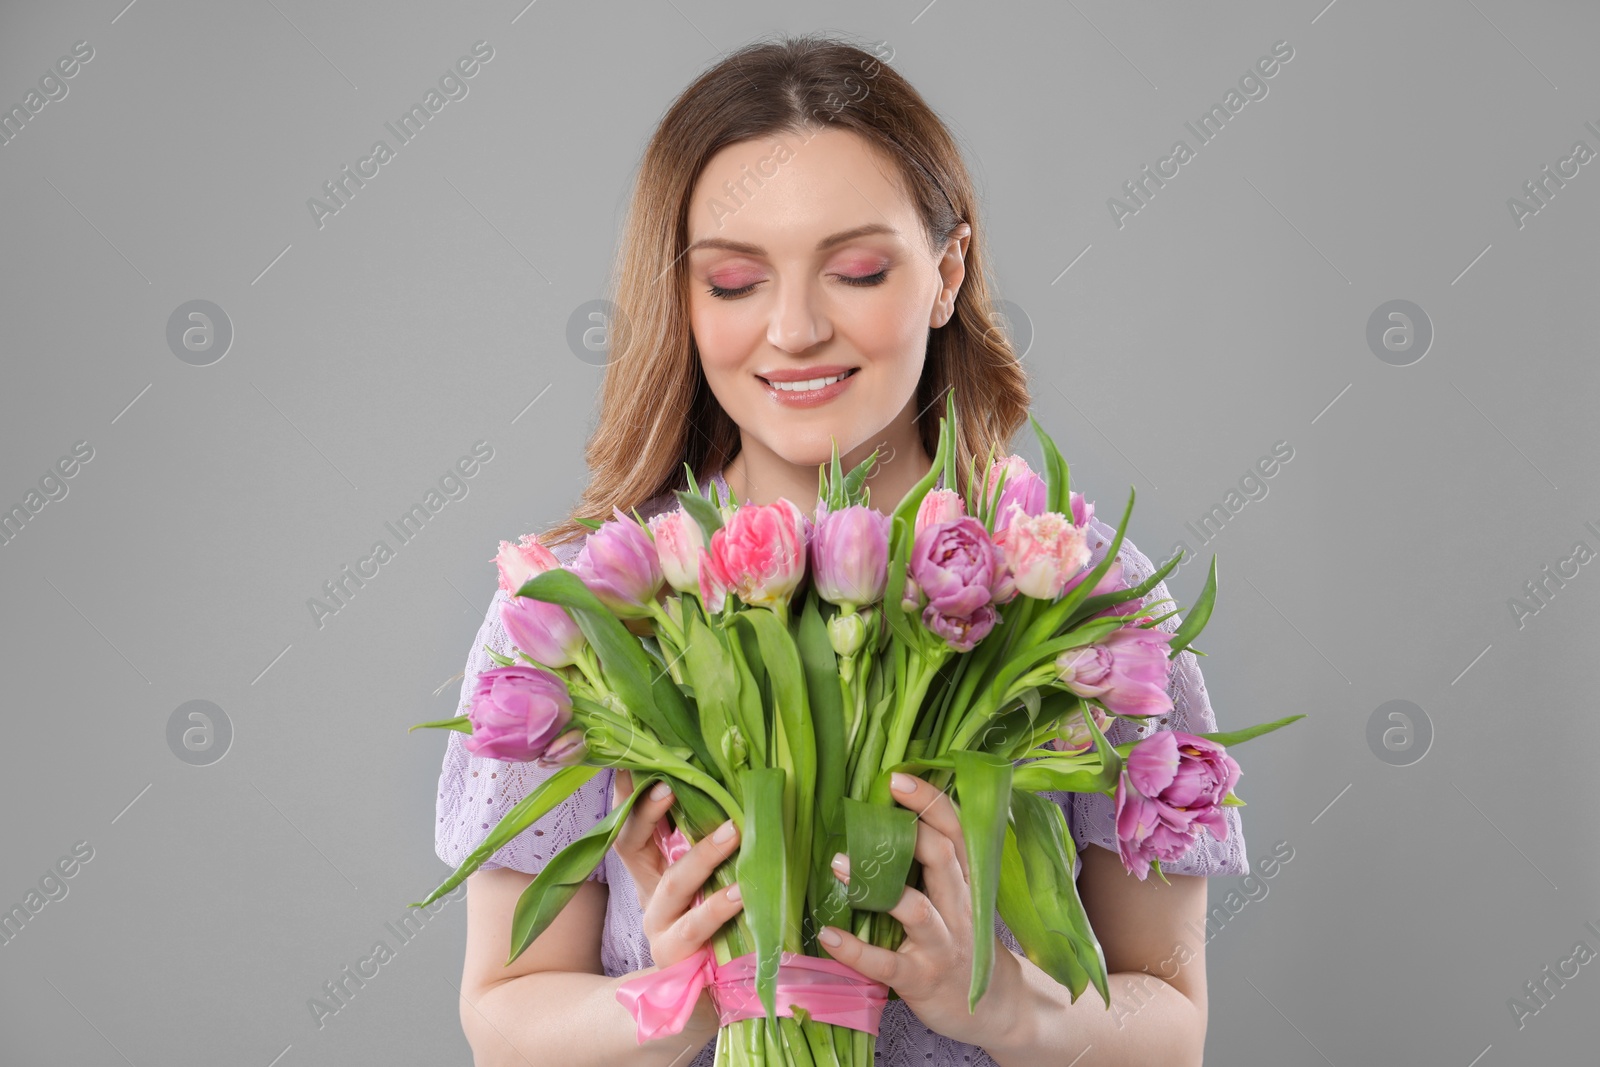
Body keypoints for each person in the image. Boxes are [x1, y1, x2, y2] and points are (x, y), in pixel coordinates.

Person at [434, 32, 1247, 1067]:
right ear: (682, 300)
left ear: (948, 271)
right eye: (733, 282)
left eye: (857, 269)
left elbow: (1172, 1023)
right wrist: (681, 996)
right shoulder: (580, 612)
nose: (795, 328)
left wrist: (999, 1004)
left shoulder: (1082, 599)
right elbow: (503, 1018)